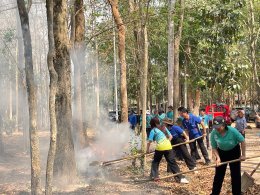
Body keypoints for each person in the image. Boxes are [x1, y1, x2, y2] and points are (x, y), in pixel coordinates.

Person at [147, 117, 189, 184]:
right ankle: (180, 178)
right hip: (168, 146)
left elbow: (149, 141)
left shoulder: (153, 130)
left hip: (160, 148)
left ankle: (154, 176)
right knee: (172, 162)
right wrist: (166, 142)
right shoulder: (164, 127)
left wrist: (147, 150)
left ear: (152, 123)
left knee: (155, 162)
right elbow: (171, 136)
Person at [210, 116, 246, 195]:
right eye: (215, 127)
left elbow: (242, 141)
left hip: (234, 152)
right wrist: (218, 158)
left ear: (224, 125)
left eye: (218, 127)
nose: (217, 129)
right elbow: (214, 147)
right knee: (218, 175)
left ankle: (236, 193)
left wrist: (243, 155)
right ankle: (215, 193)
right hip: (221, 153)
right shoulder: (213, 133)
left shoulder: (232, 131)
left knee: (235, 175)